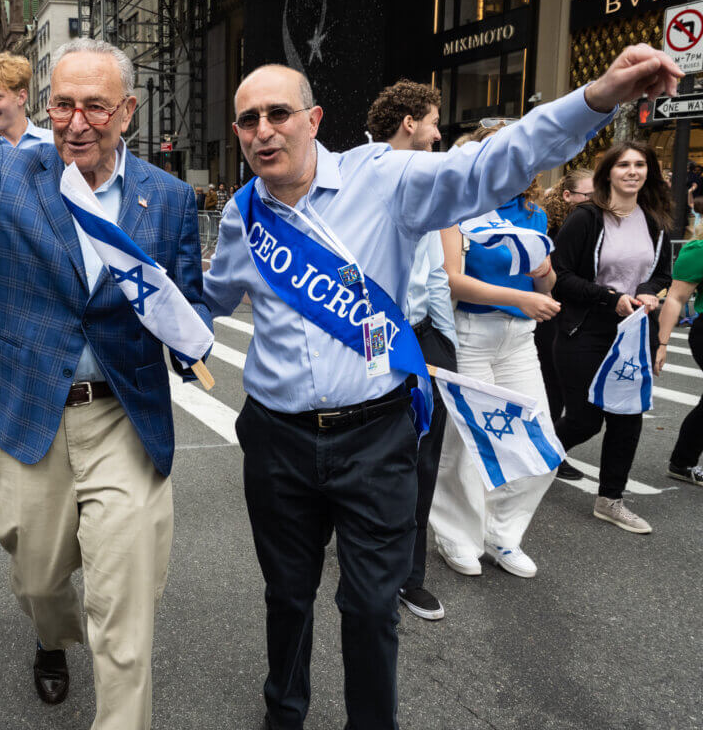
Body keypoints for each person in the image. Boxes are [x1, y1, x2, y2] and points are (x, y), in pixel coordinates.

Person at [202, 44, 678, 730]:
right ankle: (285, 711)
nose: (262, 130)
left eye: (278, 113)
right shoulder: (244, 213)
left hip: (373, 434)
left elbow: (491, 164)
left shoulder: (385, 178)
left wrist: (596, 98)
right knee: (287, 594)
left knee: (370, 603)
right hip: (276, 437)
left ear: (314, 119)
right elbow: (211, 296)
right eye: (247, 120)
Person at [0, 24, 208, 730]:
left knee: (124, 610)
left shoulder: (171, 200)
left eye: (96, 106)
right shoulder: (9, 176)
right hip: (31, 410)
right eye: (63, 105)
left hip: (122, 417)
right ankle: (51, 635)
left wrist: (200, 332)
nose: (76, 122)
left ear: (127, 112)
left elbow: (185, 311)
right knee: (35, 575)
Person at [428, 125, 560, 580]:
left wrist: (544, 276)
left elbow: (545, 282)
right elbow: (452, 280)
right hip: (470, 334)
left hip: (520, 338)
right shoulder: (458, 207)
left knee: (542, 441)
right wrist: (522, 298)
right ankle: (456, 535)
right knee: (464, 447)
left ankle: (501, 533)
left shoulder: (532, 213)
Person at [366, 79, 455, 620]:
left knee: (424, 457)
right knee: (372, 448)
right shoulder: (355, 177)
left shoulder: (433, 183)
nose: (439, 132)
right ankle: (364, 545)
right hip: (373, 330)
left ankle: (409, 574)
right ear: (409, 124)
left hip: (422, 335)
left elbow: (438, 275)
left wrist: (445, 346)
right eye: (434, 121)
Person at [552, 141, 673, 533]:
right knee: (585, 420)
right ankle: (532, 462)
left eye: (640, 164)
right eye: (623, 165)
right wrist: (609, 298)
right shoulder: (586, 217)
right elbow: (562, 278)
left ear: (649, 172)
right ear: (609, 173)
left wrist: (650, 291)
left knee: (627, 418)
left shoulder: (653, 220)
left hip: (634, 331)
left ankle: (610, 500)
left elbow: (662, 273)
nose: (632, 171)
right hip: (585, 328)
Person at [535, 168, 593, 444]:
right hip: (551, 313)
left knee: (569, 390)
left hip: (576, 315)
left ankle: (552, 447)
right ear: (567, 195)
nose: (596, 200)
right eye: (589, 195)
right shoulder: (550, 226)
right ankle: (548, 450)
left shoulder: (595, 223)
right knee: (553, 386)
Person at [654, 237, 703, 485]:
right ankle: (682, 462)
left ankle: (682, 461)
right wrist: (662, 344)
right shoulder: (699, 251)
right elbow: (675, 298)